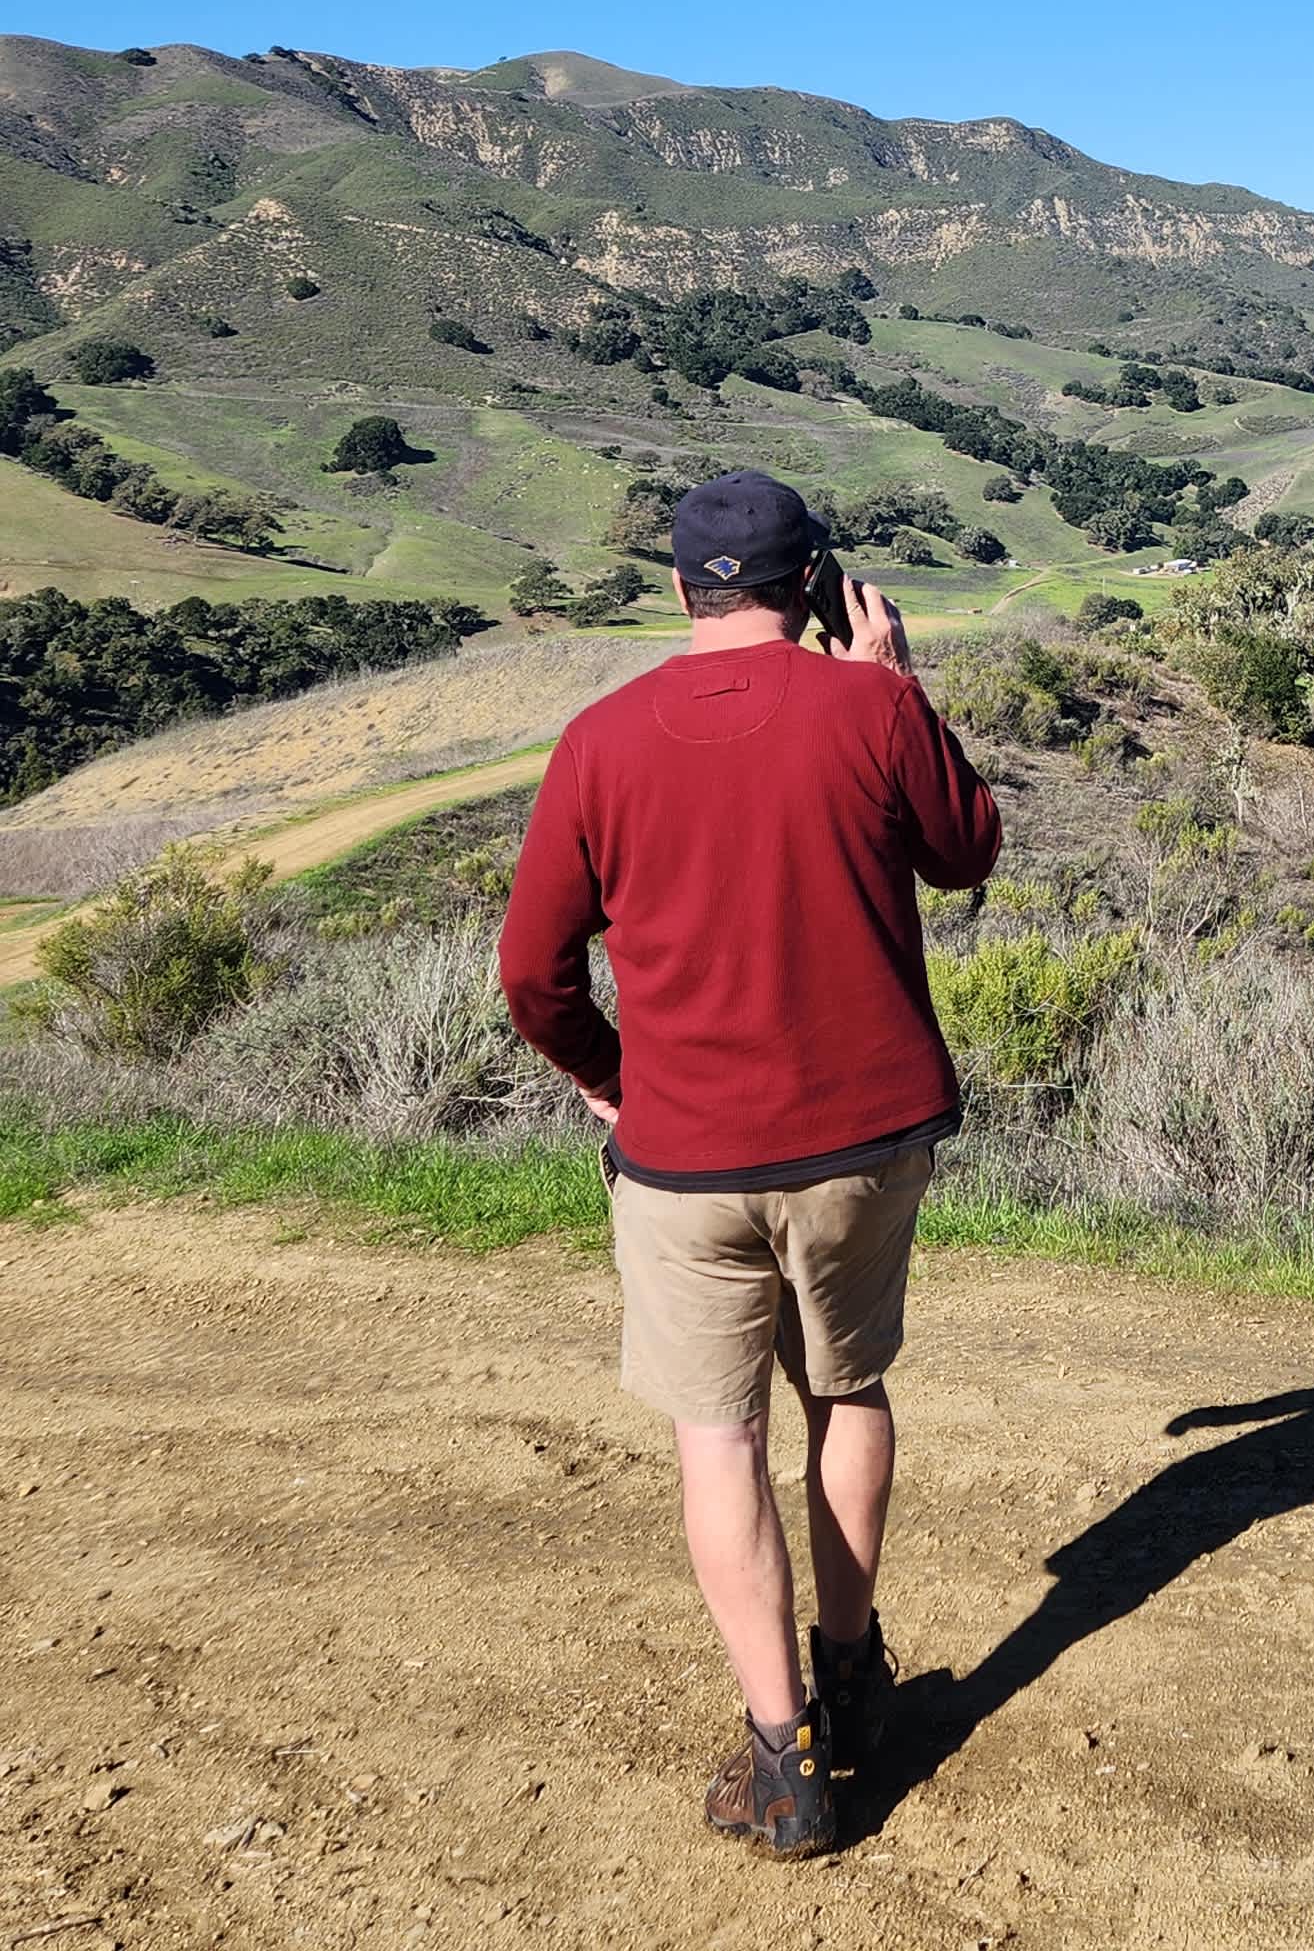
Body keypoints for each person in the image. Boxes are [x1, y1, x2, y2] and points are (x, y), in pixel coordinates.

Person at [500, 469, 1001, 1859]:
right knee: (849, 1387)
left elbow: (532, 976)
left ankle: (785, 1767)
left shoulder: (599, 741)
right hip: (864, 1137)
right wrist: (901, 681)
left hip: (682, 1162)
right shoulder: (873, 706)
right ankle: (855, 1682)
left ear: (681, 588)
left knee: (717, 1438)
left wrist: (614, 1081)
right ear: (821, 588)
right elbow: (967, 854)